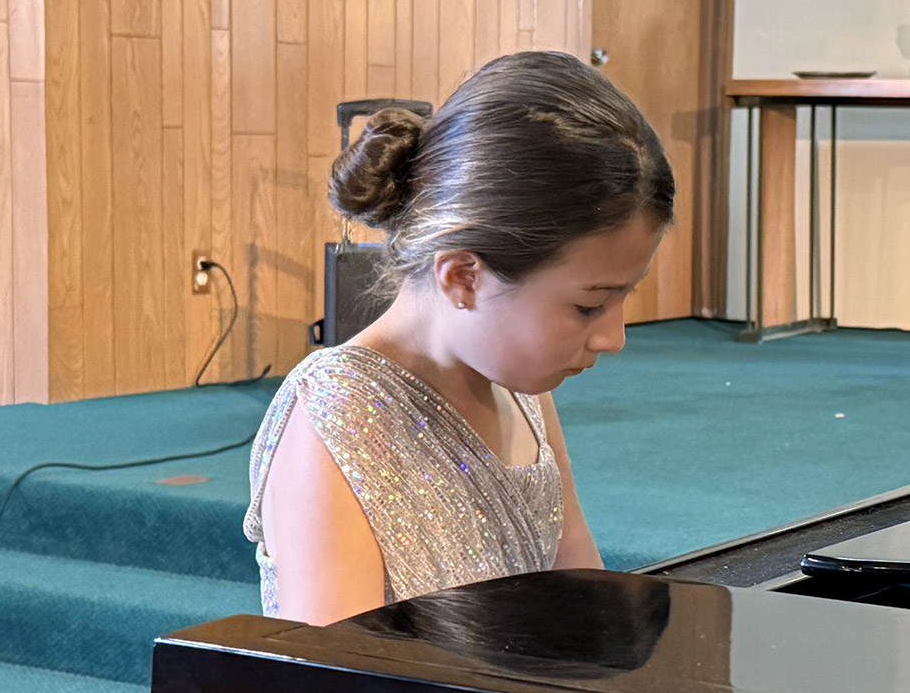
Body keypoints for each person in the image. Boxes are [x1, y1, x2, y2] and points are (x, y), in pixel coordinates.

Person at [242, 51, 673, 624]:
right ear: (464, 277)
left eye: (626, 296)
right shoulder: (336, 421)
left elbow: (583, 596)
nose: (614, 338)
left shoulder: (520, 389)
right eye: (590, 305)